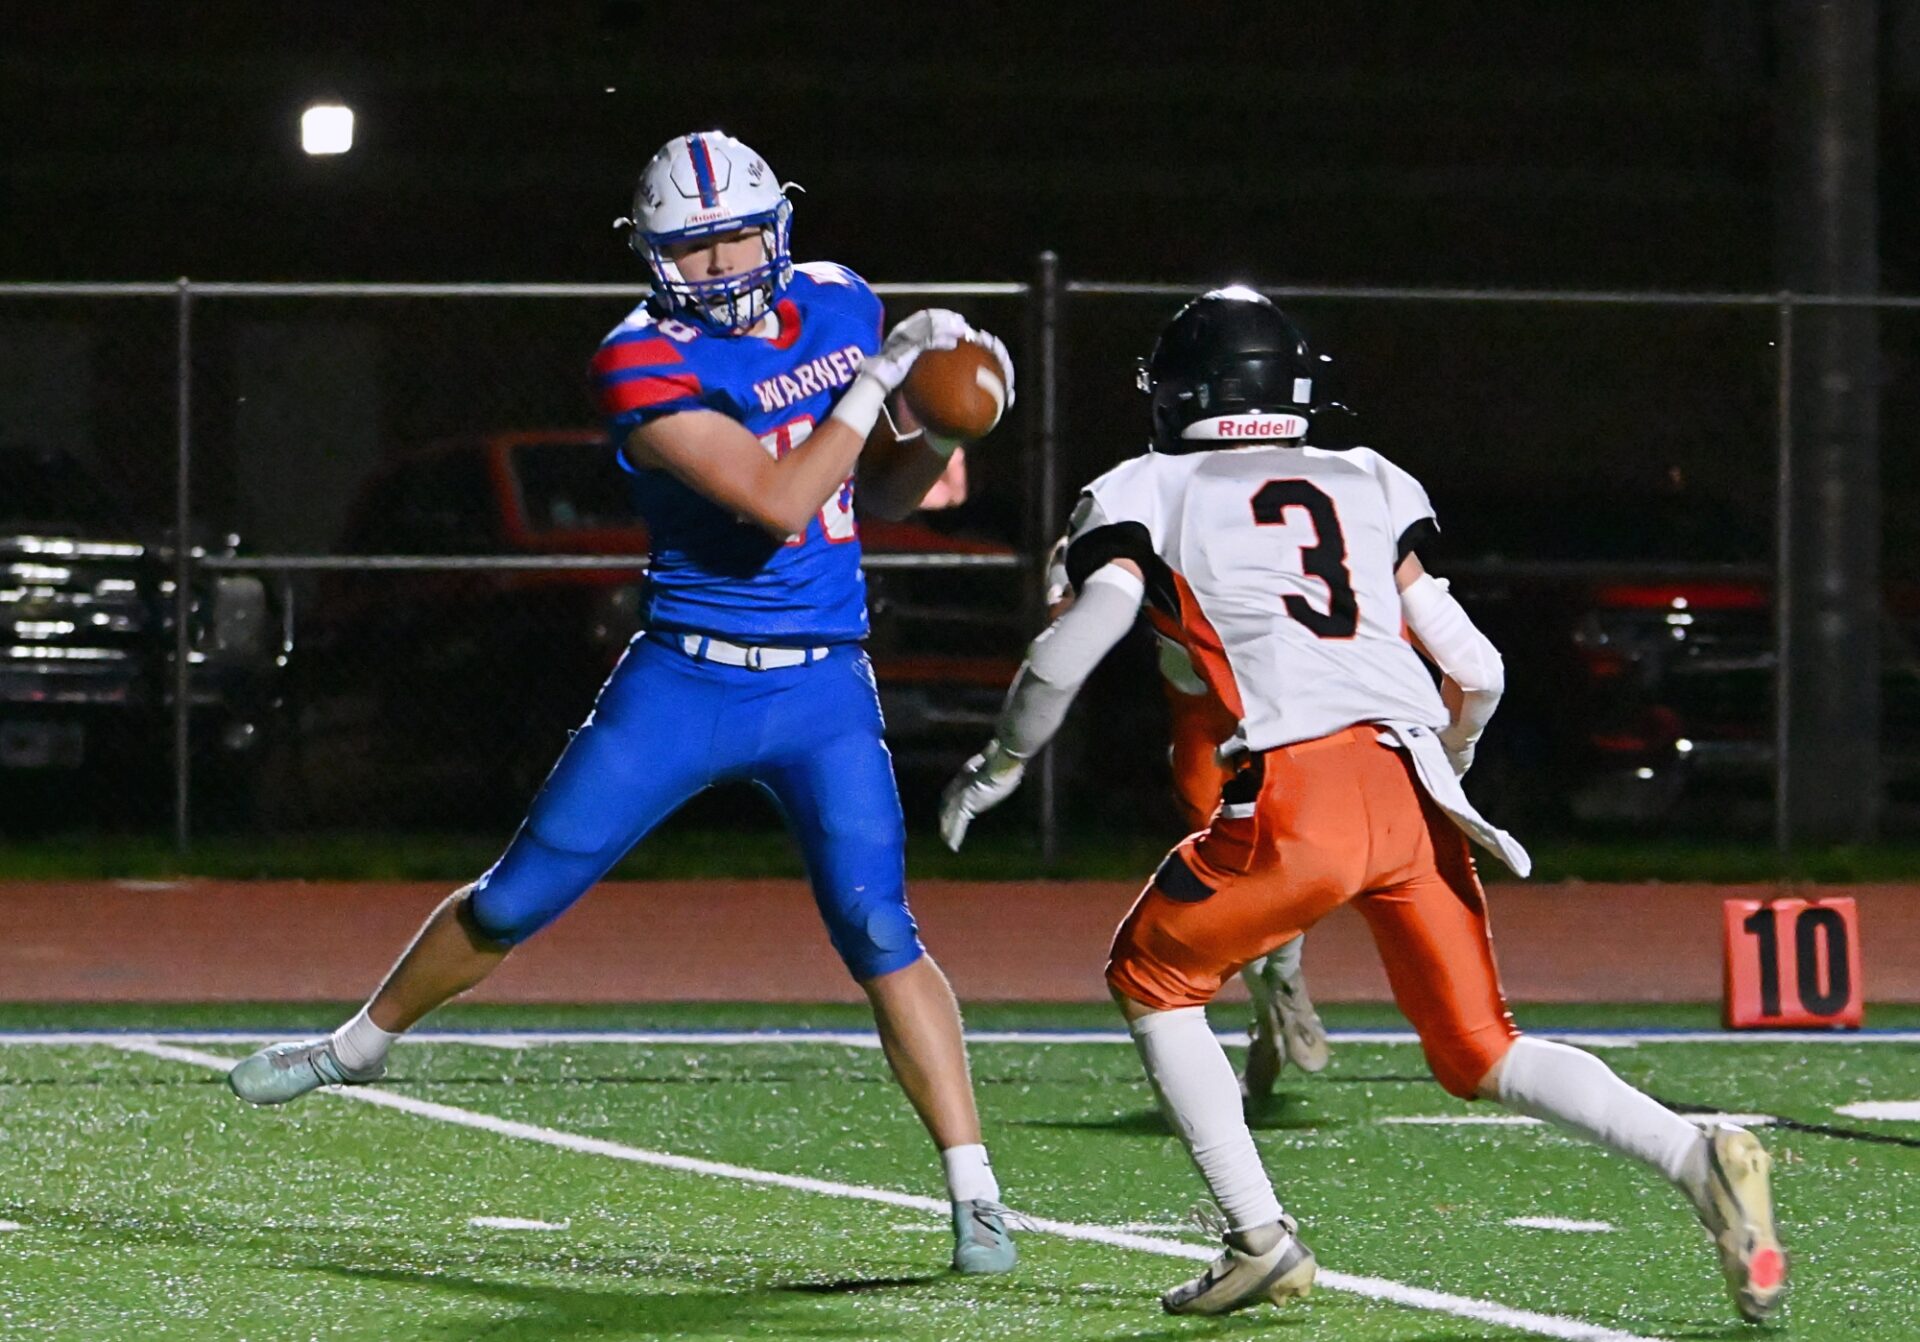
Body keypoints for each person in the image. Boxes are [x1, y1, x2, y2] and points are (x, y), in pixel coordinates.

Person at [227, 130, 1022, 1276]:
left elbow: (876, 488)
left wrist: (941, 421)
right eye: (692, 248)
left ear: (778, 225)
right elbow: (778, 501)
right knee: (514, 899)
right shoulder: (640, 358)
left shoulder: (843, 301)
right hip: (687, 673)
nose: (718, 264)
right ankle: (358, 1046)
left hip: (823, 682)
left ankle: (975, 1190)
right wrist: (881, 378)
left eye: (736, 236)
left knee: (879, 926)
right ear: (653, 257)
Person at [994, 286, 1785, 1320]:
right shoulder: (1367, 476)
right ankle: (1696, 1154)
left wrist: (1001, 757)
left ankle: (1257, 1235)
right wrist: (1439, 762)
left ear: (1186, 392)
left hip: (1298, 786)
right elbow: (1481, 668)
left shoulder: (1142, 486)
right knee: (1481, 1049)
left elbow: (1071, 652)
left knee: (1152, 973)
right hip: (1415, 786)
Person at [939, 532, 1331, 1101]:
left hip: (1289, 708)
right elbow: (1067, 631)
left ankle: (1282, 981)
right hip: (1207, 712)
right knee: (1233, 873)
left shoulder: (1290, 502)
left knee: (1299, 858)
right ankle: (1275, 989)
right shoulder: (1134, 511)